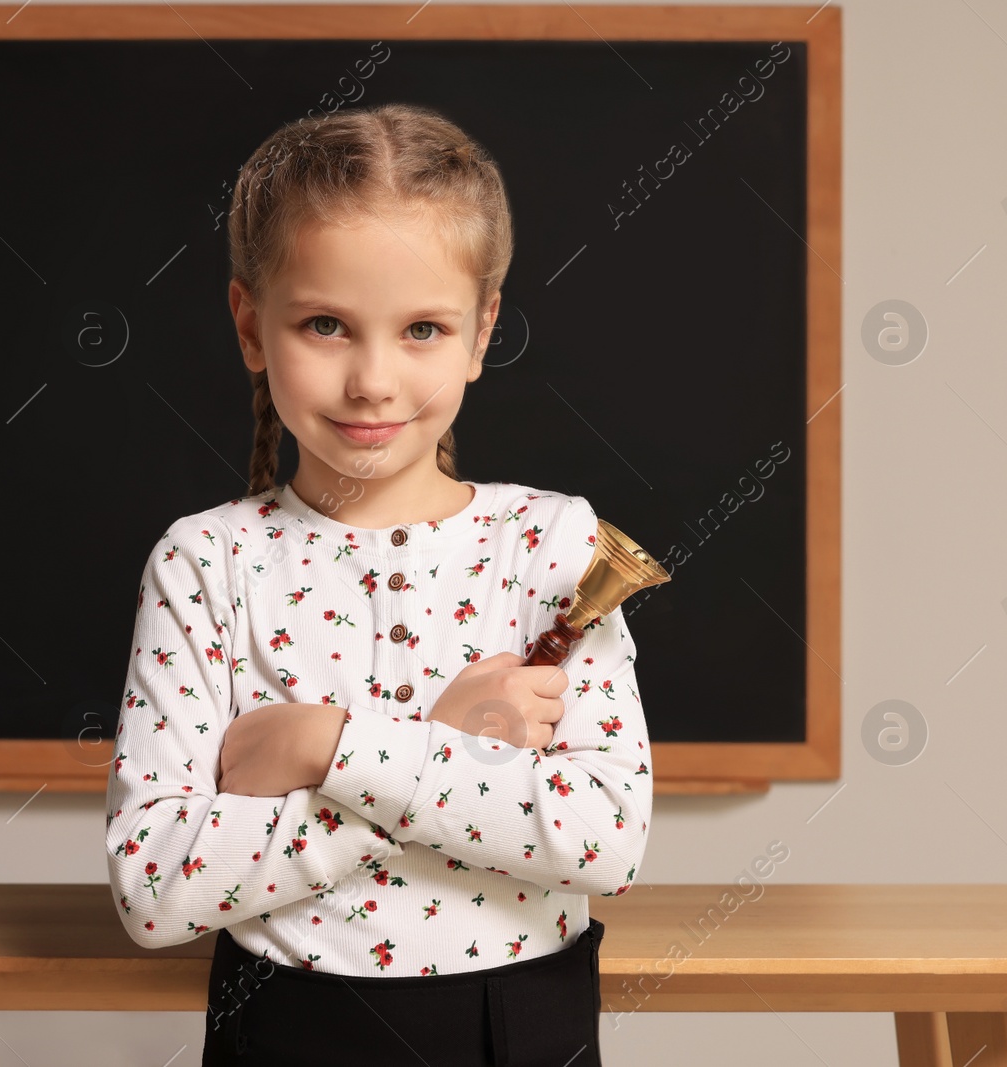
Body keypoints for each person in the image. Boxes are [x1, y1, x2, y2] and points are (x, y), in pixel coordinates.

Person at [104, 102, 651, 1067]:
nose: (373, 380)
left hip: (519, 1030)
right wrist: (453, 749)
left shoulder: (552, 542)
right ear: (249, 325)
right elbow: (155, 889)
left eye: (423, 329)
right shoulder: (206, 561)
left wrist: (325, 746)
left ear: (480, 336)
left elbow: (602, 836)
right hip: (283, 1031)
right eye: (325, 324)